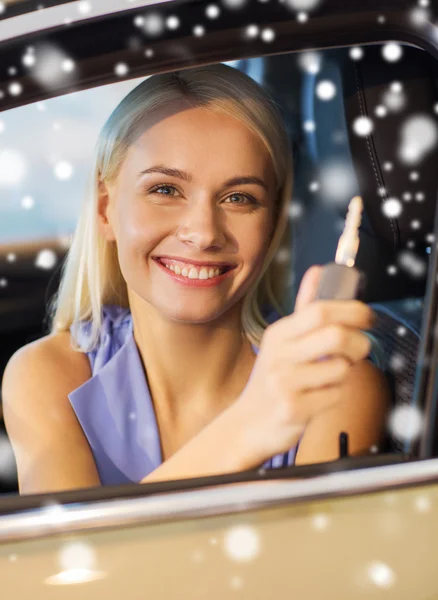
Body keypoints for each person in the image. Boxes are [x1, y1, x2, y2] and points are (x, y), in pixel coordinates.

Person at [2, 64, 390, 495]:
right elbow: (70, 562)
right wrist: (250, 426)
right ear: (105, 209)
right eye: (165, 190)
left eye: (239, 198)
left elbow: (317, 564)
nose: (204, 233)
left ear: (272, 224)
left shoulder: (333, 385)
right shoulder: (45, 375)